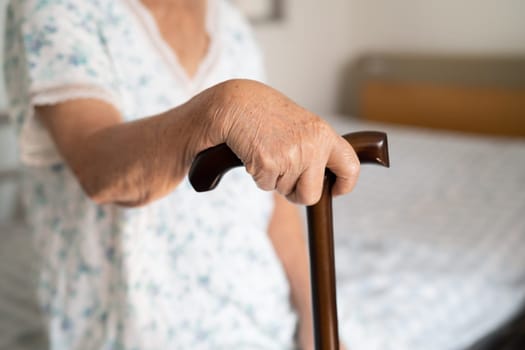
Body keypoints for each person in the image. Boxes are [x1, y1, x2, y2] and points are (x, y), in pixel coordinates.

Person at [4, 0, 359, 349]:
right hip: (131, 329)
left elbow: (266, 198)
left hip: (261, 317)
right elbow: (100, 170)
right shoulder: (56, 9)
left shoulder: (230, 27)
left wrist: (315, 315)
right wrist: (224, 107)